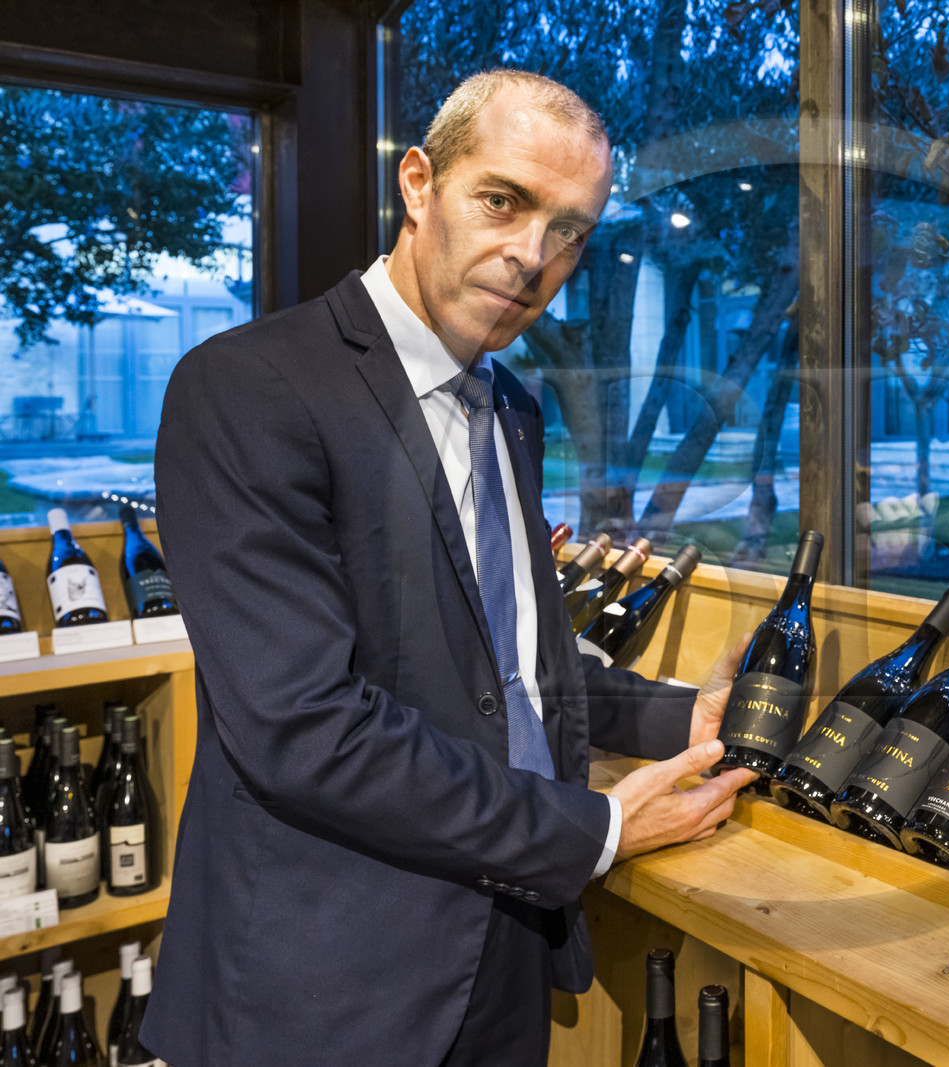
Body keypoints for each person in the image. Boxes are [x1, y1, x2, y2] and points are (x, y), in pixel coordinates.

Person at [144, 69, 756, 1066]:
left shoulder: (510, 407)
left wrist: (669, 717)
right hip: (324, 989)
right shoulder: (245, 386)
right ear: (420, 185)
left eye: (569, 230)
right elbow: (305, 728)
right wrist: (592, 828)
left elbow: (505, 660)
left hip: (503, 953)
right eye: (503, 201)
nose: (532, 255)